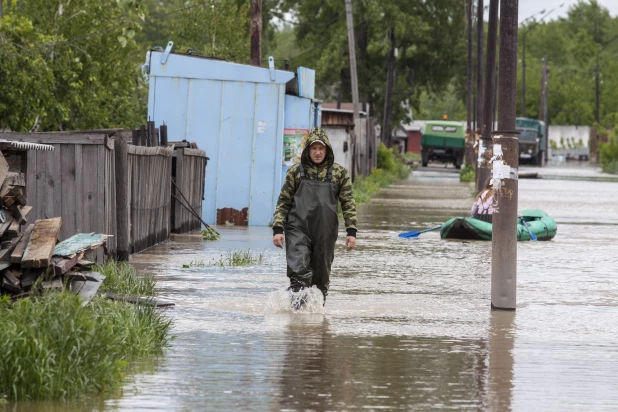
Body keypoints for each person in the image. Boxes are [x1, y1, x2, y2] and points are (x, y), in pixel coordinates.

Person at [272, 127, 357, 308]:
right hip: (297, 229)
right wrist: (278, 229)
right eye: (314, 149)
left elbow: (348, 203)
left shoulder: (339, 174)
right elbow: (283, 201)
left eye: (321, 149)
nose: (317, 153)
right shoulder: (295, 172)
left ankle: (316, 321)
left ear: (327, 150)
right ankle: (296, 321)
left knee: (321, 279)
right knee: (298, 273)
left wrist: (351, 231)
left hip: (325, 232)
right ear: (308, 151)